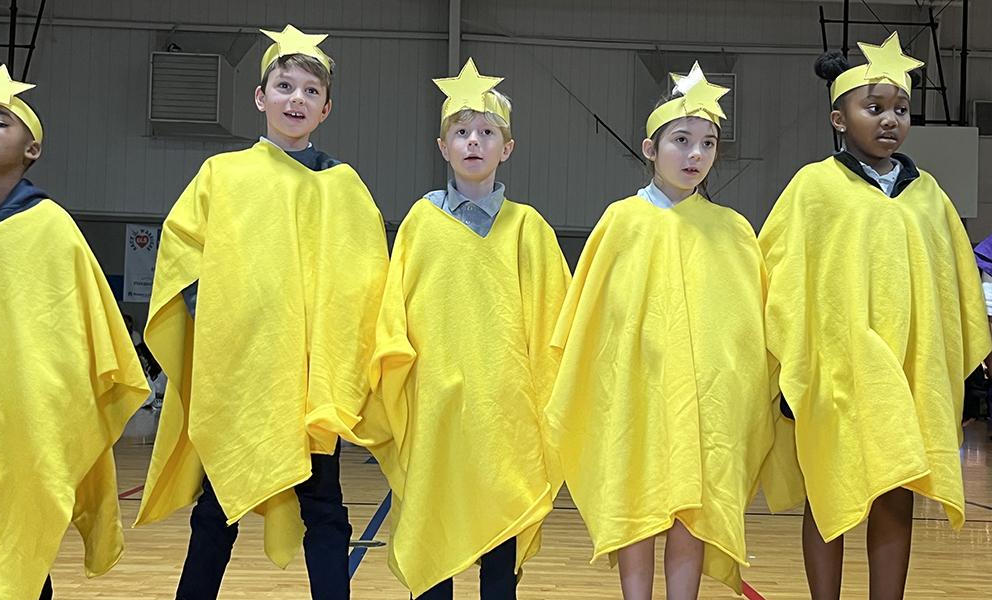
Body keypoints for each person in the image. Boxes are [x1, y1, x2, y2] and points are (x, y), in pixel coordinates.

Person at [133, 25, 389, 599]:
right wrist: (221, 316)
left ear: (326, 108)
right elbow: (183, 254)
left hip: (309, 382)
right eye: (283, 86)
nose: (295, 99)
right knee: (217, 508)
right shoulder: (224, 176)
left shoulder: (343, 187)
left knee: (324, 509)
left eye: (309, 92)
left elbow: (367, 276)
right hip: (243, 373)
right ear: (260, 96)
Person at [759, 32, 991, 599]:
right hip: (835, 374)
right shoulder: (814, 188)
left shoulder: (929, 195)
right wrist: (791, 369)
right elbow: (777, 280)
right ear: (839, 119)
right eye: (874, 108)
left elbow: (955, 290)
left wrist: (957, 376)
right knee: (829, 491)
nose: (891, 120)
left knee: (895, 491)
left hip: (907, 379)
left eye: (901, 109)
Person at [544, 63, 774, 600]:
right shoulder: (620, 221)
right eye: (682, 141)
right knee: (638, 505)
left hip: (703, 405)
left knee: (690, 510)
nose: (695, 155)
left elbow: (744, 327)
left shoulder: (733, 231)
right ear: (650, 148)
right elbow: (592, 321)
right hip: (636, 397)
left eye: (708, 143)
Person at [353, 58, 570, 599]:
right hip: (437, 413)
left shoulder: (530, 230)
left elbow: (555, 328)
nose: (474, 142)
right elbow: (392, 317)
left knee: (500, 555)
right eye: (462, 132)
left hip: (506, 416)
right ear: (443, 145)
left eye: (488, 132)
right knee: (437, 537)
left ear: (507, 148)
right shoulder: (419, 225)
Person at [0, 65, 150, 599]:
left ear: (31, 149)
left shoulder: (51, 228)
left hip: (24, 427)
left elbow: (89, 339)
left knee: (20, 550)